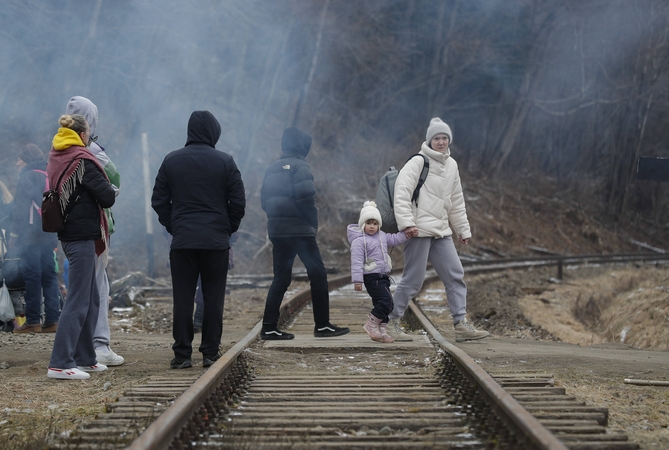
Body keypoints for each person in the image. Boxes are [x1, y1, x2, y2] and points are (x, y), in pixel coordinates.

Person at [152, 110, 245, 369]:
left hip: (182, 242)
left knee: (182, 298)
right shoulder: (225, 161)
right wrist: (227, 228)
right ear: (214, 132)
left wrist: (174, 225)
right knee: (213, 297)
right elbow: (238, 202)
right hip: (215, 242)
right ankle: (210, 353)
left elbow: (158, 199)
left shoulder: (171, 160)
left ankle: (182, 355)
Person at [388, 117, 489, 343]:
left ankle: (461, 324)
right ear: (429, 140)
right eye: (437, 138)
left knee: (455, 275)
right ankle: (391, 321)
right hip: (418, 231)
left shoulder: (451, 165)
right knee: (413, 279)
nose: (441, 142)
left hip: (442, 232)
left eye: (444, 138)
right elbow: (401, 193)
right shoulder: (418, 162)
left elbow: (456, 200)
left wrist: (462, 230)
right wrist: (406, 224)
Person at [259, 127, 350, 340]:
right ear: (302, 146)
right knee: (318, 275)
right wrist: (312, 222)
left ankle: (269, 327)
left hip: (278, 231)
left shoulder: (271, 168)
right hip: (300, 231)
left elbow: (264, 201)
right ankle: (322, 325)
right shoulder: (301, 167)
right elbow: (305, 198)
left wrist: (277, 220)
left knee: (280, 278)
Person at [46, 114, 116, 380]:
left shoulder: (57, 153)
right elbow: (107, 197)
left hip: (68, 233)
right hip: (82, 235)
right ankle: (60, 362)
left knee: (91, 297)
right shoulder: (82, 160)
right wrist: (110, 188)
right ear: (83, 135)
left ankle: (86, 357)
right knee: (77, 299)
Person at [65, 96, 124, 366]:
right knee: (97, 285)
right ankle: (98, 344)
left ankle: (84, 345)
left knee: (83, 285)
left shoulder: (59, 147)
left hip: (68, 229)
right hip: (93, 227)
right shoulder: (92, 151)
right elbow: (114, 182)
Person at [8, 144, 61, 334]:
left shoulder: (27, 177)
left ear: (27, 160)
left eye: (19, 159)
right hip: (50, 234)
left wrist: (14, 236)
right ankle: (52, 320)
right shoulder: (51, 174)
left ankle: (32, 322)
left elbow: (21, 210)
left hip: (30, 236)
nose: (16, 163)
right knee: (49, 277)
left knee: (32, 277)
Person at [347, 201, 415, 343]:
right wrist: (357, 280)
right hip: (372, 277)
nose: (372, 226)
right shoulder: (359, 241)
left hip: (383, 276)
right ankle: (371, 324)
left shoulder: (382, 236)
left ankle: (381, 330)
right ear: (362, 224)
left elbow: (395, 239)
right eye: (369, 223)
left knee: (384, 303)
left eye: (375, 223)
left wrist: (406, 234)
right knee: (387, 302)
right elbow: (357, 261)